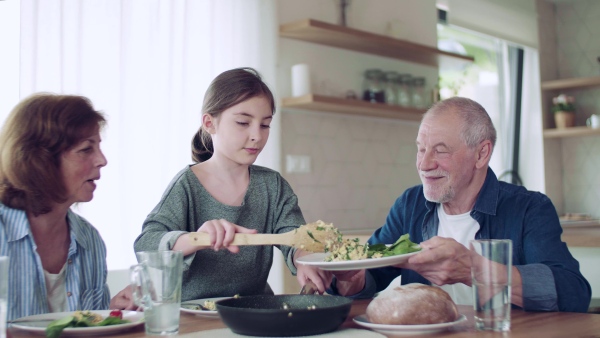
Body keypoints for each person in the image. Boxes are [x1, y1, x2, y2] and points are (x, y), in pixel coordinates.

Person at [329, 96, 591, 313]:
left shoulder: (529, 209)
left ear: (481, 153)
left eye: (440, 150)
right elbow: (372, 274)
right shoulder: (410, 204)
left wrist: (475, 269)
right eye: (421, 149)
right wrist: (351, 280)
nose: (424, 164)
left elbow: (573, 292)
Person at [113, 67, 329, 306]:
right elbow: (147, 244)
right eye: (243, 122)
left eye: (265, 125)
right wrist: (197, 238)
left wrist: (304, 260)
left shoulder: (272, 186)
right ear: (209, 123)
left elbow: (296, 238)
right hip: (192, 315)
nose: (257, 135)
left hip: (254, 310)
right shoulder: (187, 185)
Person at [0, 93, 111, 320]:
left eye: (98, 147)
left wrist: (112, 313)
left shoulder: (89, 240)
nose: (102, 160)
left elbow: (91, 329)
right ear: (40, 160)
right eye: (86, 149)